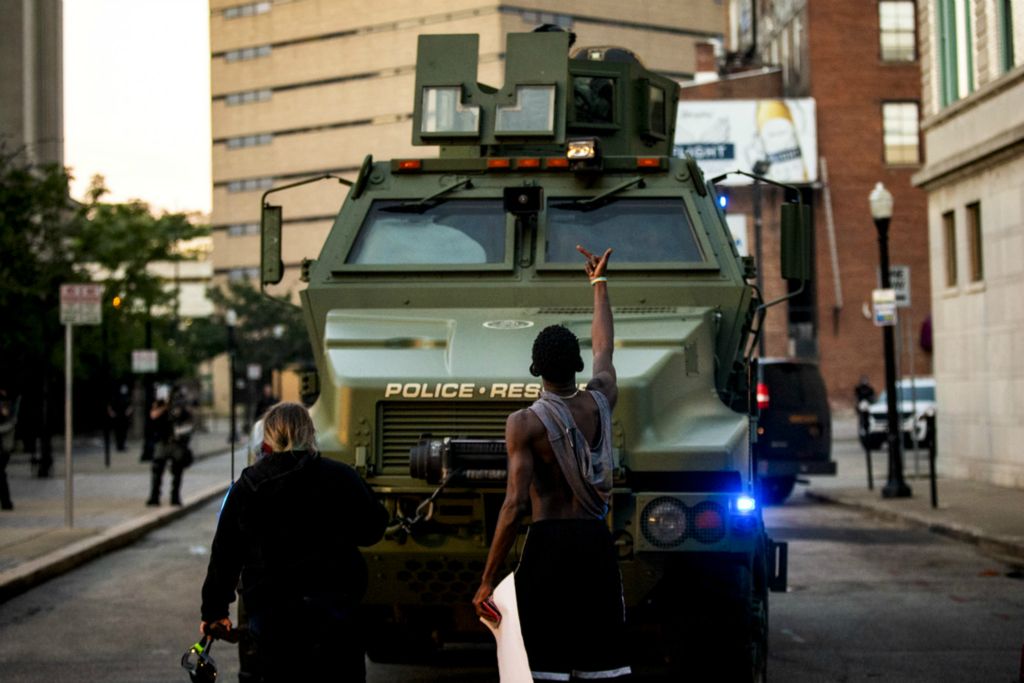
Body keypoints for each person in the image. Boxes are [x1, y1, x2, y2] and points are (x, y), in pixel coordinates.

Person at [473, 245, 630, 681]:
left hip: (548, 548)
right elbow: (605, 347)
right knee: (602, 666)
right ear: (577, 365)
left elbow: (514, 506)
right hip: (595, 542)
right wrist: (598, 285)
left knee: (545, 669)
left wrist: (488, 578)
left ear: (535, 368)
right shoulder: (602, 399)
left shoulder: (525, 423)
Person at [199, 402, 389, 681]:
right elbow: (372, 530)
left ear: (268, 437)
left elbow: (226, 554)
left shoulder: (248, 486)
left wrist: (214, 610)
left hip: (273, 614)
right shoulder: (342, 476)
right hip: (335, 608)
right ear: (310, 434)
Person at [146, 385, 193, 506]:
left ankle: (175, 496)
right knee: (157, 468)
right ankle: (154, 496)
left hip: (177, 442)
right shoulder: (159, 403)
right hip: (162, 440)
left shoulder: (180, 404)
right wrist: (165, 406)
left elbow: (188, 421)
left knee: (177, 470)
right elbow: (153, 415)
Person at [0, 388, 19, 510]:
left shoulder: (7, 404)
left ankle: (6, 502)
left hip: (3, 448)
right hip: (3, 447)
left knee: (1, 474)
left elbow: (10, 423)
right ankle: (6, 502)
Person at [107, 383, 134, 452]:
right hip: (117, 416)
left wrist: (129, 411)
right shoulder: (115, 396)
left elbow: (130, 405)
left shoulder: (126, 397)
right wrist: (111, 413)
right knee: (118, 431)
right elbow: (110, 405)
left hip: (124, 417)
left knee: (124, 431)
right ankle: (119, 446)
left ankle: (122, 445)